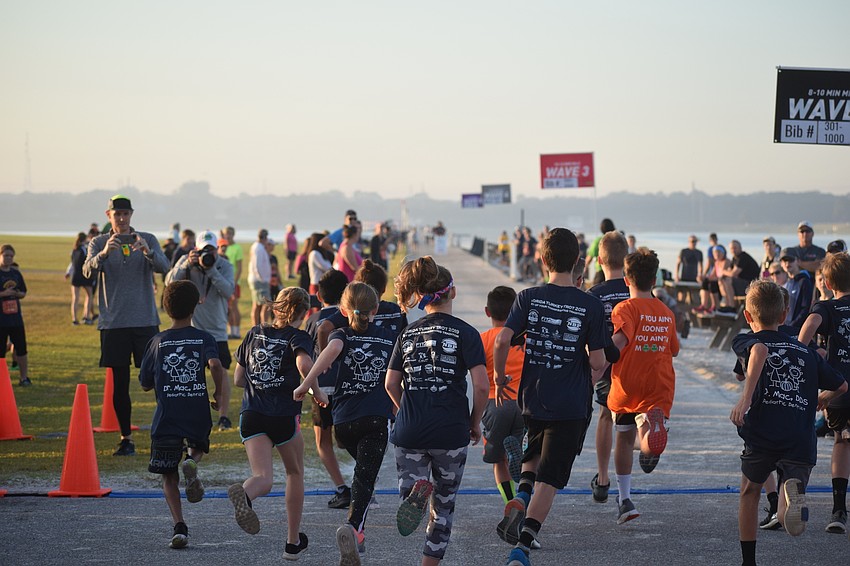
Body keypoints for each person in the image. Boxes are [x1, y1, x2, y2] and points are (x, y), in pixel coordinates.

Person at [494, 228, 606, 566]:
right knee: (550, 478)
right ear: (577, 261)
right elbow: (598, 362)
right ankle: (522, 547)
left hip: (533, 397)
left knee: (535, 450)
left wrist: (499, 377)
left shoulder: (527, 297)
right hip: (570, 403)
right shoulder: (590, 304)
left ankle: (521, 494)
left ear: (543, 260)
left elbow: (502, 340)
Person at [729, 279, 846, 566]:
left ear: (747, 316)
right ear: (784, 315)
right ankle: (789, 499)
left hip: (764, 429)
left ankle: (748, 562)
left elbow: (758, 352)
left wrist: (745, 400)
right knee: (788, 504)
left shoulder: (746, 339)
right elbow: (842, 385)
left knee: (749, 492)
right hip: (800, 436)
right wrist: (825, 397)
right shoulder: (805, 350)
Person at [386, 256, 488, 566]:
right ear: (452, 292)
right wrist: (474, 422)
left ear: (422, 296)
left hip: (410, 430)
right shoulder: (466, 333)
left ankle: (413, 494)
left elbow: (390, 383)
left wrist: (406, 410)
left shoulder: (407, 333)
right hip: (450, 430)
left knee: (411, 494)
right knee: (443, 507)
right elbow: (481, 386)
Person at [295, 282, 396, 566]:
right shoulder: (390, 338)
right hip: (375, 419)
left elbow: (329, 353)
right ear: (375, 309)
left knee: (365, 472)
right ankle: (353, 528)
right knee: (365, 477)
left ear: (343, 310)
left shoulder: (341, 334)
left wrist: (307, 385)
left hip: (344, 423)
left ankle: (358, 537)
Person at [228, 287, 316, 560]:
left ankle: (245, 494)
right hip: (282, 414)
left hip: (252, 413)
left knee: (263, 478)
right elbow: (304, 365)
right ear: (304, 312)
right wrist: (314, 390)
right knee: (294, 473)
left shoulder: (254, 332)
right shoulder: (298, 336)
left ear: (276, 308)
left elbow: (238, 378)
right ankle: (292, 542)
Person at [139, 280, 226, 549]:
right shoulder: (204, 338)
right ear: (194, 307)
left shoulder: (156, 341)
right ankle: (192, 461)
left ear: (166, 308)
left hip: (167, 415)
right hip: (196, 410)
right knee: (197, 446)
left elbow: (145, 384)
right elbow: (215, 364)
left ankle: (179, 527)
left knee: (168, 475)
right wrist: (218, 392)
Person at [83, 195, 170, 455]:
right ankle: (126, 438)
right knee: (119, 383)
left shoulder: (147, 238)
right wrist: (104, 254)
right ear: (108, 215)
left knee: (158, 379)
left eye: (125, 214)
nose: (121, 219)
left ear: (131, 215)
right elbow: (86, 271)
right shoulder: (98, 242)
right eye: (117, 214)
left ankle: (167, 434)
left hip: (145, 321)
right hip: (113, 323)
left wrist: (147, 251)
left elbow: (165, 266)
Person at [603, 248, 679, 523]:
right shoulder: (666, 312)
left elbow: (619, 342)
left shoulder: (625, 308)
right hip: (659, 385)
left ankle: (625, 500)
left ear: (626, 279)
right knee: (644, 435)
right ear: (654, 280)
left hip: (627, 385)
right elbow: (674, 349)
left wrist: (596, 356)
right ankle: (650, 438)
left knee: (623, 439)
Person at [797, 252, 850, 534]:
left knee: (842, 441)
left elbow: (808, 328)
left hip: (838, 390)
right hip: (839, 390)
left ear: (828, 283)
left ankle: (839, 511)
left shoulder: (827, 307)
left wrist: (805, 352)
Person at [166, 230, 236, 431]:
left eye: (211, 249)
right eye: (204, 250)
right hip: (191, 328)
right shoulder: (186, 261)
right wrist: (186, 265)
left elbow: (228, 291)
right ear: (195, 249)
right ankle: (192, 413)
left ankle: (223, 416)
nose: (208, 254)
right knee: (190, 373)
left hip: (217, 329)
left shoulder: (224, 265)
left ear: (217, 249)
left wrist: (211, 270)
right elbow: (169, 283)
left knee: (222, 371)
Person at [587, 231, 631, 505]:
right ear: (626, 260)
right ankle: (646, 444)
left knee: (605, 416)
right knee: (630, 421)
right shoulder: (636, 291)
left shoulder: (594, 295)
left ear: (600, 260)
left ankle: (603, 478)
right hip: (635, 367)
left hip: (605, 368)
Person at [303, 268, 352, 510]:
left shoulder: (313, 320)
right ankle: (363, 483)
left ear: (319, 296)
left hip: (321, 388)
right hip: (347, 387)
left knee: (323, 441)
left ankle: (342, 488)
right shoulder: (350, 317)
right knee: (352, 437)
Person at [480, 286, 525, 504]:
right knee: (527, 455)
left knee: (499, 460)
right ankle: (524, 494)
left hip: (495, 403)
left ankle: (510, 502)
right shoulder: (524, 338)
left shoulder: (483, 340)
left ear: (487, 311)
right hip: (524, 403)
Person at [317, 259, 408, 352]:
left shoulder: (351, 310)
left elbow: (323, 329)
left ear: (359, 286)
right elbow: (405, 338)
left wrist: (326, 357)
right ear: (384, 288)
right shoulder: (396, 310)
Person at [0, 244, 30, 386]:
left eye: (11, 256)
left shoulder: (15, 273)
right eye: (6, 255)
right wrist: (4, 294)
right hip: (1, 320)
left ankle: (24, 378)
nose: (8, 258)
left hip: (15, 319)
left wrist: (18, 294)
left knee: (21, 349)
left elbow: (23, 292)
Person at [779, 248, 814, 331]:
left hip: (797, 329)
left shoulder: (804, 281)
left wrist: (792, 326)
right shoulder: (786, 283)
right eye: (784, 261)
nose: (787, 263)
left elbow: (806, 308)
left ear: (797, 261)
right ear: (781, 264)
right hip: (786, 327)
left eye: (790, 260)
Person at [719, 240, 761, 309]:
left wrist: (723, 271)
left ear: (740, 248)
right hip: (742, 283)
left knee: (728, 280)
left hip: (751, 285)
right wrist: (725, 273)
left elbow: (733, 273)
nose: (733, 250)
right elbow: (730, 271)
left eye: (735, 248)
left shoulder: (743, 257)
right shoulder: (735, 258)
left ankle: (731, 307)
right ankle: (727, 304)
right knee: (722, 279)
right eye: (731, 248)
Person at [66, 232, 95, 325]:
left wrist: (68, 272)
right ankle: (86, 316)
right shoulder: (85, 249)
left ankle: (74, 319)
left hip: (75, 276)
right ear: (84, 239)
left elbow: (72, 263)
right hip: (84, 276)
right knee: (89, 295)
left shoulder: (74, 250)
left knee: (75, 298)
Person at [221, 226, 244, 339]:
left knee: (234, 306)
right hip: (224, 282)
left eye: (229, 233)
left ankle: (237, 331)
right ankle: (231, 331)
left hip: (234, 283)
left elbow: (239, 268)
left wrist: (234, 282)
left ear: (233, 234)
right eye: (226, 233)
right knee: (228, 308)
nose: (227, 236)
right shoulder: (223, 247)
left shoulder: (237, 248)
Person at [247, 229, 271, 327]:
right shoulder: (259, 248)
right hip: (259, 280)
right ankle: (263, 325)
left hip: (257, 279)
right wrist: (263, 278)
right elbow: (257, 265)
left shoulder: (256, 247)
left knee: (257, 304)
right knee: (266, 303)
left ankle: (258, 325)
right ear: (264, 237)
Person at [585, 218, 616, 286]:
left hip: (601, 271)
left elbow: (590, 256)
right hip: (616, 272)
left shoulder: (599, 241)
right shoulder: (617, 240)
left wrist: (585, 267)